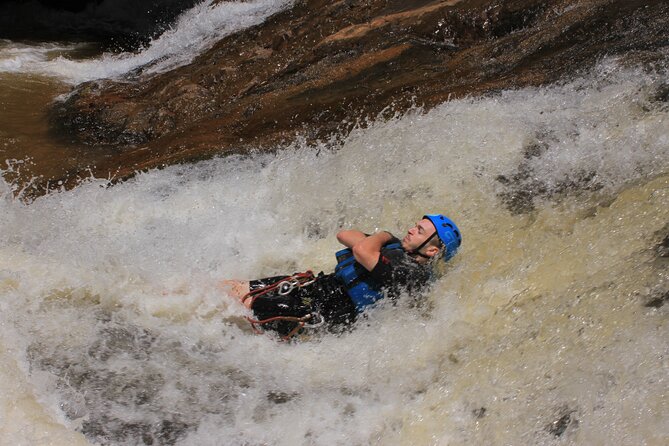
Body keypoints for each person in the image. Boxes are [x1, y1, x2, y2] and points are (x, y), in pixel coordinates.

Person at [220, 214, 462, 339]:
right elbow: (345, 235)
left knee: (241, 302)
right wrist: (386, 241)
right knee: (236, 286)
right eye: (416, 225)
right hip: (315, 287)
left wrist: (386, 234)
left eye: (419, 231)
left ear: (432, 250)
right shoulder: (394, 250)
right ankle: (189, 293)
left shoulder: (410, 275)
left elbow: (361, 249)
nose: (411, 229)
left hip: (321, 310)